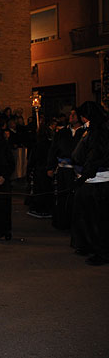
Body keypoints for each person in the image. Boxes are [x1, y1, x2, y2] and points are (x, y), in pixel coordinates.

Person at [71, 101, 109, 266]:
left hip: (97, 182)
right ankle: (86, 244)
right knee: (84, 215)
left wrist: (84, 176)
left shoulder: (100, 131)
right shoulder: (92, 129)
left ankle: (102, 252)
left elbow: (96, 156)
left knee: (97, 219)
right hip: (89, 180)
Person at [46, 109, 85, 231]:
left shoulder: (85, 132)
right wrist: (50, 167)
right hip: (63, 170)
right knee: (62, 197)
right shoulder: (62, 133)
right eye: (70, 114)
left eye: (74, 114)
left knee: (77, 198)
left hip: (79, 171)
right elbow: (53, 150)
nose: (71, 116)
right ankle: (62, 222)